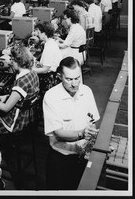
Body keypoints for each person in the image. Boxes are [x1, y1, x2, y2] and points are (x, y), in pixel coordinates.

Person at [43, 56, 100, 190]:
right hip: (61, 159)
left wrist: (92, 137)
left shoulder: (86, 91)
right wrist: (81, 134)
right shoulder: (51, 96)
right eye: (69, 79)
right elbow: (58, 133)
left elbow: (92, 121)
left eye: (77, 78)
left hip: (82, 156)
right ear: (59, 77)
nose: (74, 84)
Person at [0, 45, 39, 134]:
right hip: (28, 115)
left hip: (15, 122)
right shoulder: (33, 73)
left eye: (12, 59)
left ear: (19, 61)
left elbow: (6, 108)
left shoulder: (21, 82)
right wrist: (4, 97)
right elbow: (21, 97)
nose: (11, 62)